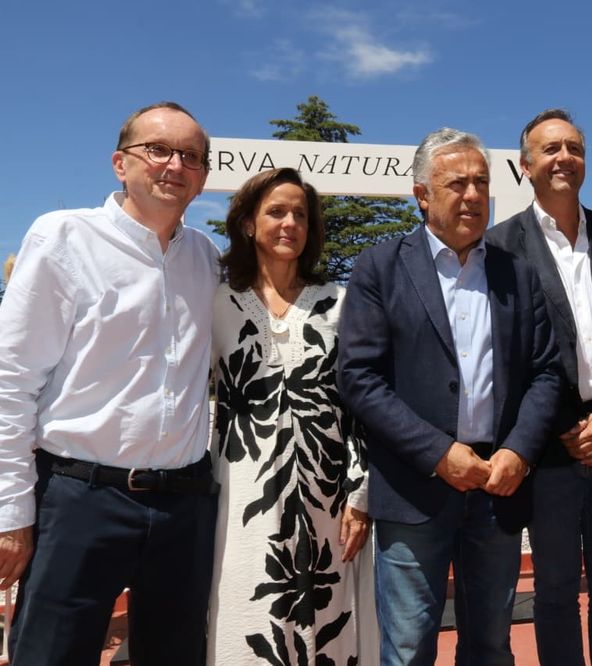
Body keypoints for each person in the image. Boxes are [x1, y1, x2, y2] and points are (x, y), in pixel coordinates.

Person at [0, 102, 220, 664]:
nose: (175, 165)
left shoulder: (206, 259)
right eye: (158, 150)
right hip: (79, 500)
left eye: (191, 156)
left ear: (203, 176)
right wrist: (11, 515)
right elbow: (11, 381)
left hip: (183, 508)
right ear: (120, 163)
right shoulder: (63, 237)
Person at [338, 128, 562, 666]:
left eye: (481, 182)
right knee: (410, 647)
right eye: (456, 183)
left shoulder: (519, 274)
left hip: (496, 487)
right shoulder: (380, 267)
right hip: (414, 490)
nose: (472, 195)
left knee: (490, 644)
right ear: (422, 195)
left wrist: (519, 451)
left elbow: (547, 373)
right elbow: (359, 377)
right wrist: (438, 453)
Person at [487, 108, 592, 666]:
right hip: (547, 449)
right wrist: (555, 426)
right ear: (525, 165)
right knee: (553, 591)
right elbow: (503, 358)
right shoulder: (498, 248)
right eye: (550, 149)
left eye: (573, 148)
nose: (564, 158)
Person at [207, 167, 377, 664]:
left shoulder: (338, 303)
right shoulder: (217, 302)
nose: (289, 223)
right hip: (242, 494)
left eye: (300, 214)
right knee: (247, 611)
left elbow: (359, 405)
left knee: (329, 619)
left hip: (328, 498)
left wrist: (360, 491)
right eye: (276, 211)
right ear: (247, 224)